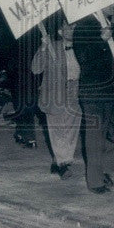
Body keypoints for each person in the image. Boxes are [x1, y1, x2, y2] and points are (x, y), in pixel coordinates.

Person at [73, 8, 114, 194]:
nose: (113, 4)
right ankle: (95, 181)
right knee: (95, 134)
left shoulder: (111, 24)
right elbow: (83, 58)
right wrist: (101, 41)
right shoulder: (83, 25)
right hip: (93, 88)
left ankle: (103, 166)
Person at [32, 14, 82, 179]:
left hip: (75, 90)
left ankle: (58, 160)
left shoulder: (82, 46)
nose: (73, 29)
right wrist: (44, 47)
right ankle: (63, 163)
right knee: (58, 130)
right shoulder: (52, 46)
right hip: (55, 93)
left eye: (75, 26)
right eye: (69, 26)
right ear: (60, 31)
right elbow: (36, 68)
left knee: (72, 130)